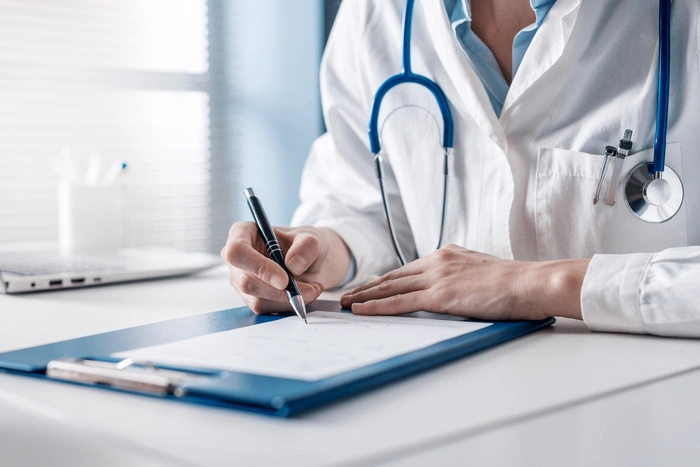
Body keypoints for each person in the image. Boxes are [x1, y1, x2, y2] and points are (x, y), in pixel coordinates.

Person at [222, 0, 700, 338]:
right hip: (446, 402)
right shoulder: (375, 12)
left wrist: (541, 285)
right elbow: (365, 201)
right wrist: (322, 250)